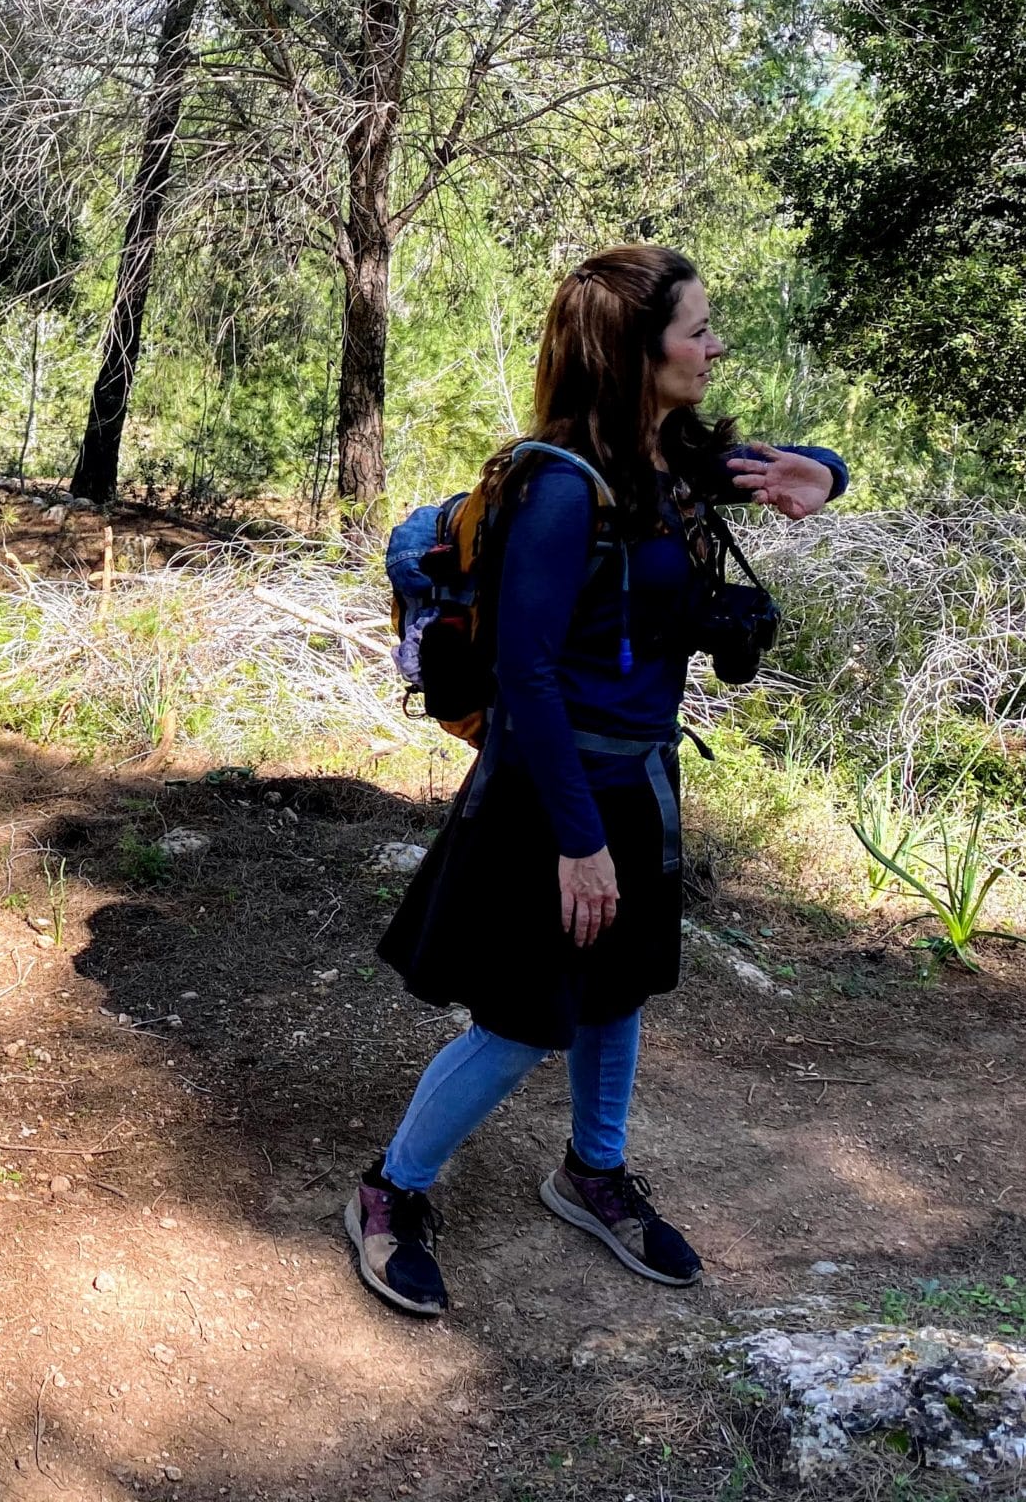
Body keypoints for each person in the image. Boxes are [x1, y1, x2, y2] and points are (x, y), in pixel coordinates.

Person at [348, 243, 847, 1318]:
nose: (716, 346)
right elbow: (524, 673)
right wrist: (578, 841)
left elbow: (789, 463)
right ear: (634, 350)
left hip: (639, 780)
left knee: (616, 994)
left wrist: (823, 471)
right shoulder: (561, 490)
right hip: (551, 791)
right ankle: (389, 1192)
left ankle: (591, 1172)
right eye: (697, 329)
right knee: (524, 1019)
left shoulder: (664, 463)